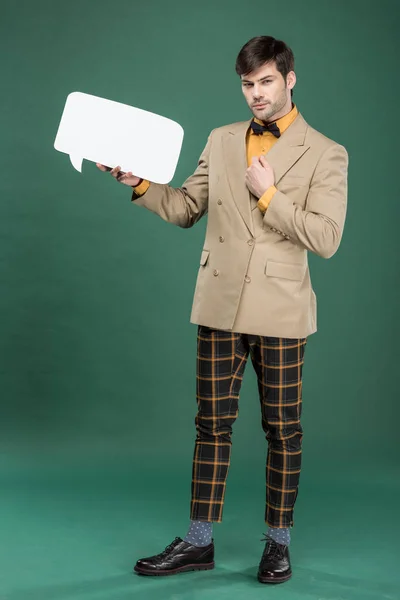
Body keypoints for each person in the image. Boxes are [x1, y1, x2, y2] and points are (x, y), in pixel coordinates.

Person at [97, 35, 348, 584]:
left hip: (281, 312)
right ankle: (198, 542)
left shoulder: (327, 152)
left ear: (289, 79)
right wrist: (138, 182)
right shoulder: (221, 138)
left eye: (265, 82)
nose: (255, 95)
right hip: (218, 306)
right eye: (247, 84)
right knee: (211, 425)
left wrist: (269, 196)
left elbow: (327, 238)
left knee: (283, 429)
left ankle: (277, 545)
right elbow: (188, 207)